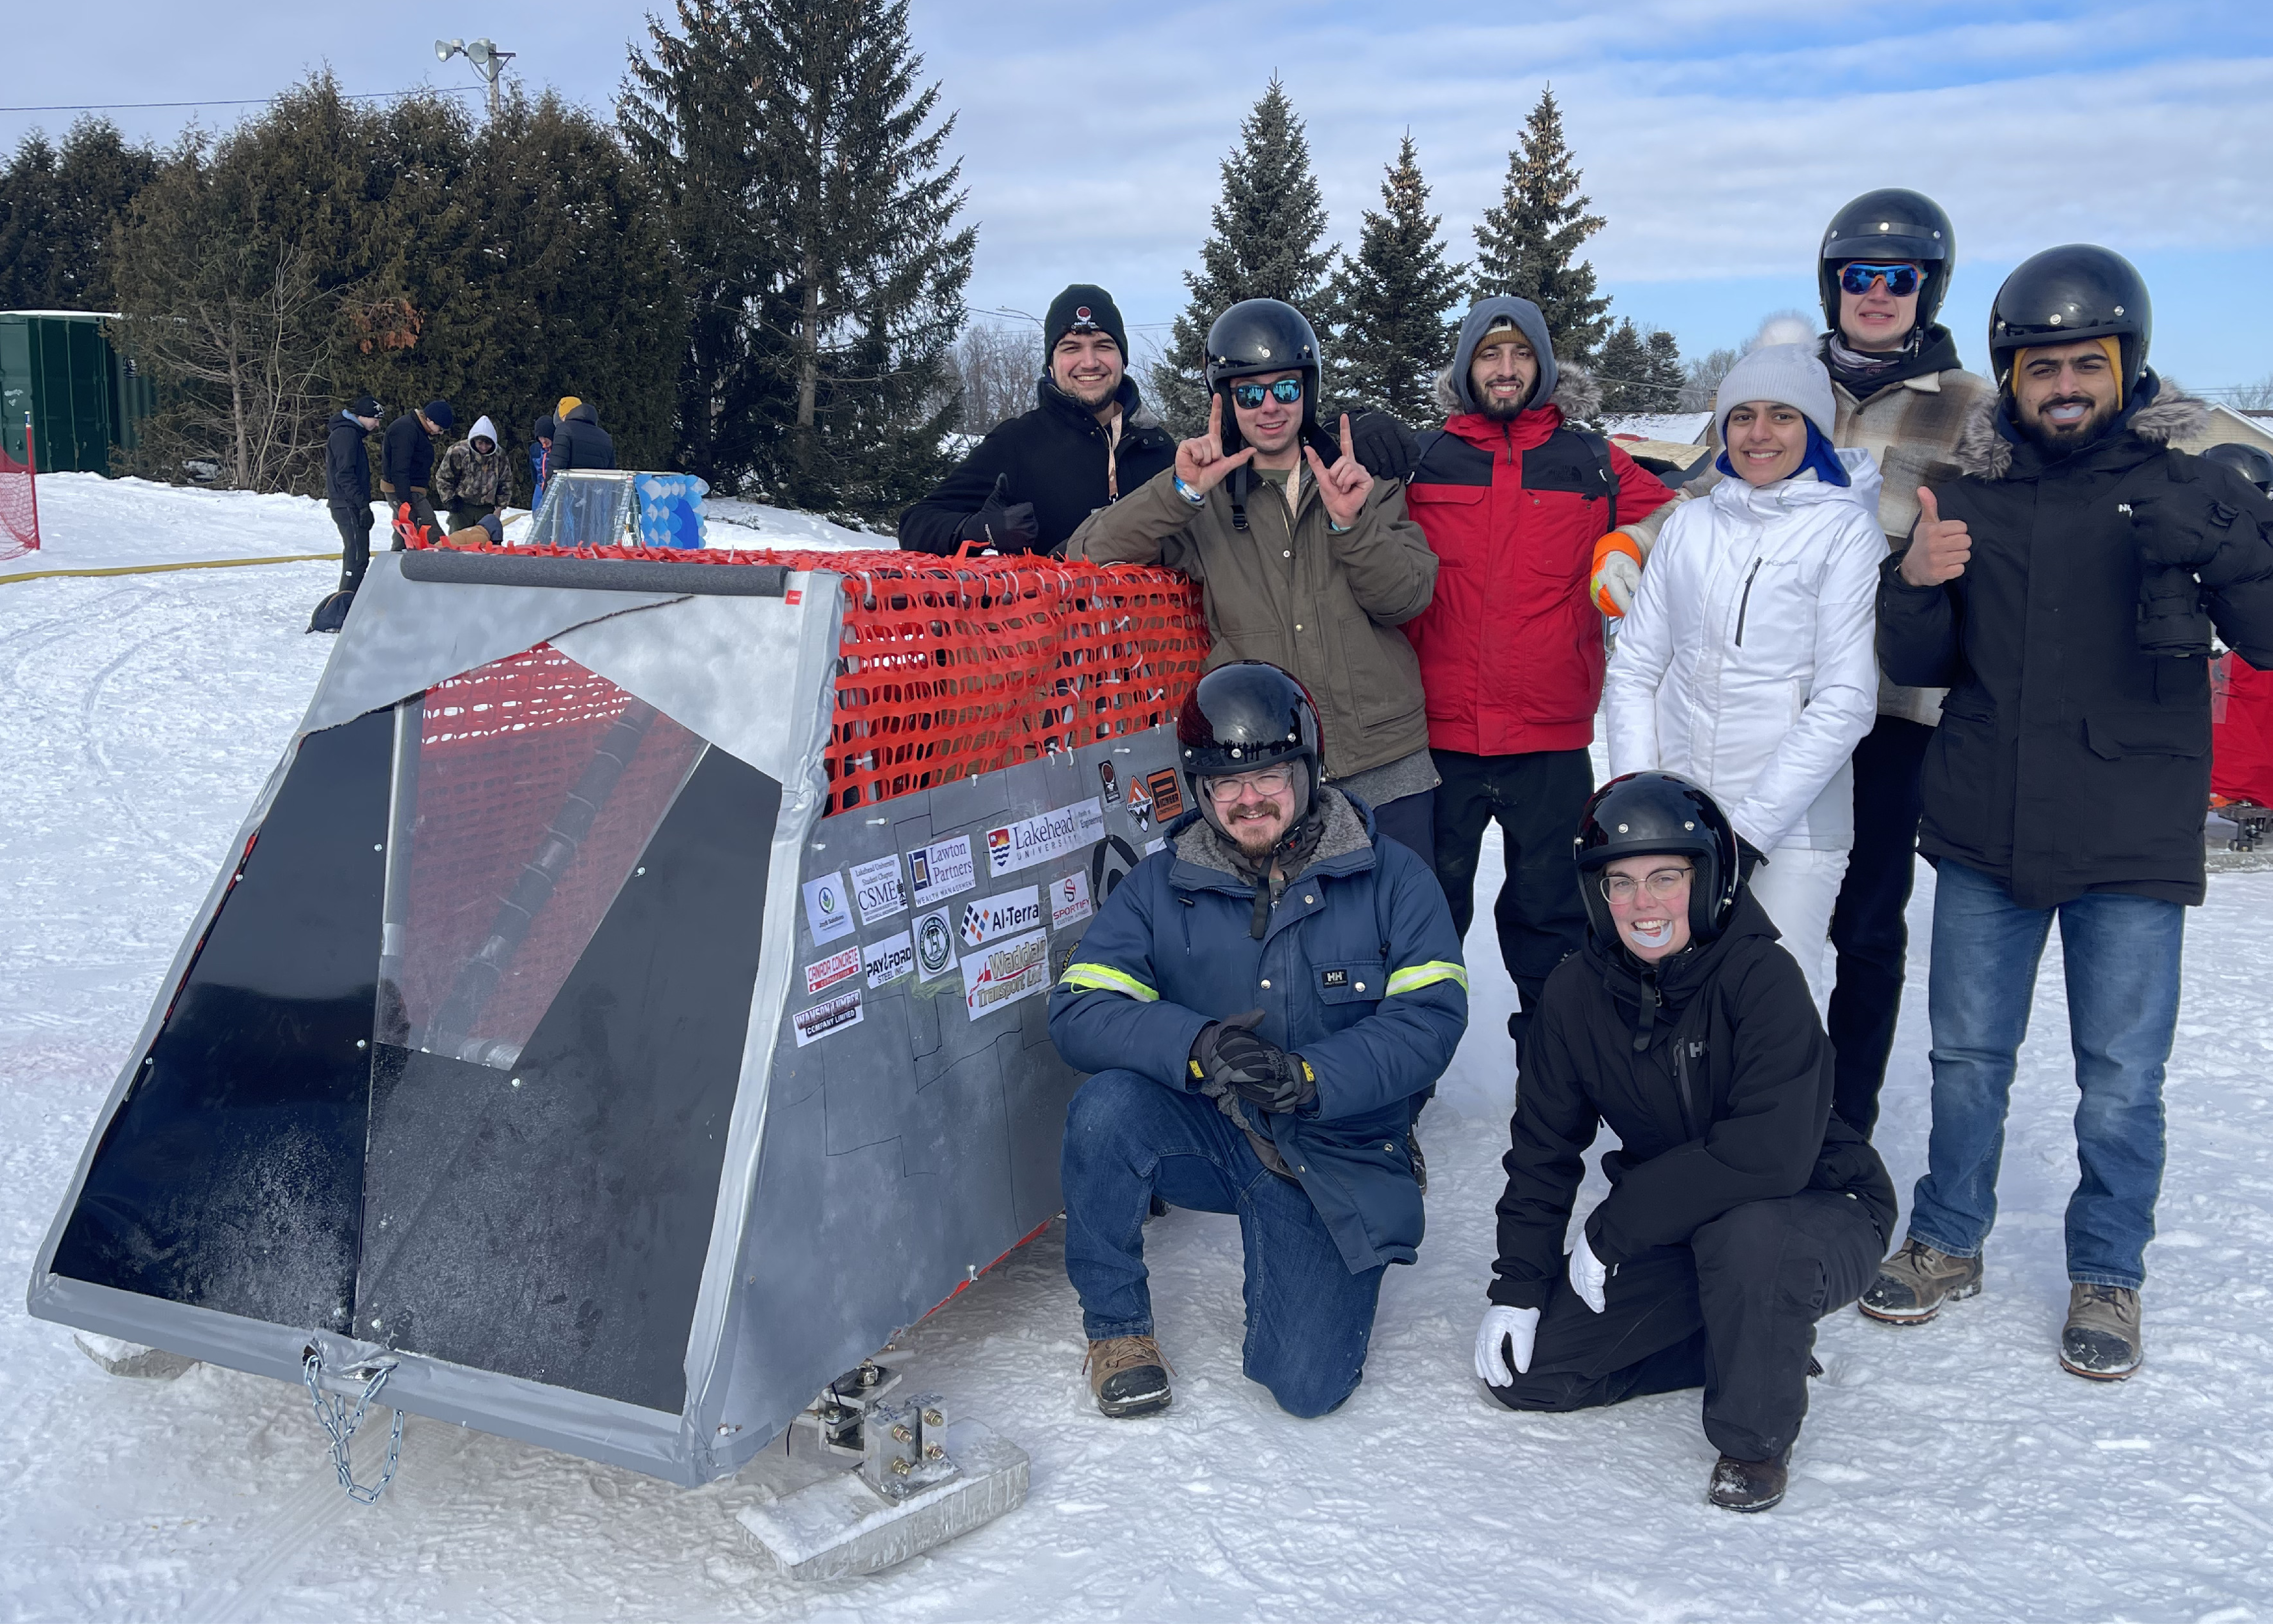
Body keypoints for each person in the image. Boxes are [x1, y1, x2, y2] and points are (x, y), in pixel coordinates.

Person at [1863, 245, 2273, 1380]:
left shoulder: (2198, 478)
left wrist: (2229, 547)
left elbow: (2268, 638)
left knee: (2121, 1075)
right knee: (1966, 1056)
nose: (2063, 387)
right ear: (2010, 373)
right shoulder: (1971, 490)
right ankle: (1949, 1238)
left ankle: (2108, 1269)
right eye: (2041, 368)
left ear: (2125, 364)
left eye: (2084, 364)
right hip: (1986, 821)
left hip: (2132, 833)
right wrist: (1914, 581)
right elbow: (1920, 661)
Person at [1594, 190, 1995, 1137]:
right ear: (1833, 284)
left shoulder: (1968, 410)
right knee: (1725, 924)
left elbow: (2015, 531)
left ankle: (1837, 1123)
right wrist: (1635, 542)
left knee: (1857, 927)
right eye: (1860, 276)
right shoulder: (1784, 379)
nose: (1878, 294)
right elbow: (1707, 493)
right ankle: (1703, 1117)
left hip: (1891, 702)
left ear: (1927, 291)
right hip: (1749, 709)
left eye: (1900, 280)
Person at [1050, 662, 1468, 1420]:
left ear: (1307, 769)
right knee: (1107, 1107)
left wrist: (1313, 1075)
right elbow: (1080, 1006)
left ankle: (1332, 1214)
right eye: (1223, 783)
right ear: (1200, 789)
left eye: (1269, 775)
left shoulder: (1392, 879)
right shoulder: (1162, 883)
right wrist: (1199, 1042)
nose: (1247, 799)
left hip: (1330, 1139)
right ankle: (1118, 1331)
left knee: (1306, 1386)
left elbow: (1430, 1019)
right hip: (1214, 1122)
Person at [1476, 771, 1895, 1513]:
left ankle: (1753, 1439)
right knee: (1533, 1374)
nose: (1644, 904)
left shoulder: (1761, 976)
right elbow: (1543, 1147)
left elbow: (1770, 1153)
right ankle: (1756, 1342)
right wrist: (1516, 1285)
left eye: (1666, 877)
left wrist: (1617, 1225)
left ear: (1707, 881)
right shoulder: (1574, 995)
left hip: (1816, 1205)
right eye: (1621, 883)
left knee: (1752, 1237)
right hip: (1684, 1223)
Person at [1066, 299, 1442, 861]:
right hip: (1264, 777)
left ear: (1307, 391)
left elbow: (1405, 599)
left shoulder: (1360, 480)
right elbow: (1089, 550)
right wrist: (1181, 491)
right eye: (1249, 392)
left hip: (1383, 762)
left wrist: (1351, 524)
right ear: (1226, 399)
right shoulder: (1203, 499)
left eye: (1285, 389)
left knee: (1406, 937)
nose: (1269, 407)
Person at [1398, 296, 1675, 1055]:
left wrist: (1634, 542)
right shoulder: (1423, 460)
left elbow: (1685, 522)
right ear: (1466, 369)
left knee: (1553, 920)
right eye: (1491, 355)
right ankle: (1401, 1089)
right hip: (1441, 738)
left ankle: (1554, 1081)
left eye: (1522, 355)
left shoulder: (1591, 461)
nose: (1507, 369)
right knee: (1422, 922)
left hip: (1549, 741)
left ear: (1544, 367)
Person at [1603, 344, 1882, 1008]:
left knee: (1776, 1004)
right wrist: (1644, 803)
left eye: (1781, 416)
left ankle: (1779, 1119)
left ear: (1812, 428)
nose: (1759, 434)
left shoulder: (1845, 532)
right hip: (1681, 816)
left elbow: (1844, 701)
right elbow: (1636, 668)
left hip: (1791, 830)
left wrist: (1748, 835)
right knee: (1670, 996)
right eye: (1742, 416)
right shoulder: (1690, 526)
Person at [899, 285, 1177, 556]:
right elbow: (916, 524)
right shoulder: (1018, 443)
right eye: (1071, 348)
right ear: (1051, 366)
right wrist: (980, 530)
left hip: (1153, 604)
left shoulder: (1157, 447)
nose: (1090, 362)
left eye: (1103, 345)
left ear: (1123, 360)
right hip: (1050, 604)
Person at [310, 394, 381, 634]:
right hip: (347, 504)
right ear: (363, 417)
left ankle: (351, 605)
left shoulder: (351, 434)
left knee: (359, 554)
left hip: (349, 503)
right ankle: (342, 610)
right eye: (375, 419)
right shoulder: (346, 435)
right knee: (356, 553)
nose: (377, 425)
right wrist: (362, 505)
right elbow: (345, 475)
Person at [379, 399, 452, 544]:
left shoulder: (416, 429)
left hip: (410, 489)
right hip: (404, 490)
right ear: (430, 420)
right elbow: (400, 467)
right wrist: (406, 500)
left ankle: (398, 561)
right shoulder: (406, 430)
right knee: (428, 527)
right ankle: (442, 556)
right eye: (441, 428)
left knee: (405, 531)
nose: (440, 433)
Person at [433, 415, 510, 536]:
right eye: (480, 443)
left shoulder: (499, 455)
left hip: (487, 509)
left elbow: (505, 482)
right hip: (461, 508)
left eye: (488, 444)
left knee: (486, 546)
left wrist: (500, 508)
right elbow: (443, 478)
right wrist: (450, 499)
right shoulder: (458, 452)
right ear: (474, 441)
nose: (484, 448)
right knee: (459, 544)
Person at [549, 397, 615, 473]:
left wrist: (547, 484)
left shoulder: (565, 430)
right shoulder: (606, 437)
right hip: (598, 485)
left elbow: (557, 466)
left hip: (571, 484)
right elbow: (611, 472)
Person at [529, 412, 556, 506]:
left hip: (555, 489)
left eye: (546, 437)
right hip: (540, 487)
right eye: (541, 438)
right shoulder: (535, 449)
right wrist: (537, 482)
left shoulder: (558, 449)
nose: (544, 441)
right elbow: (533, 469)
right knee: (538, 514)